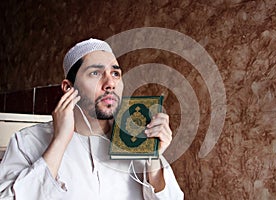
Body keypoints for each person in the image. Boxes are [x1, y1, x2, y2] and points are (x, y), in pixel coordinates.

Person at [0, 38, 184, 199]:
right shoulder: (26, 142)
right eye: (95, 73)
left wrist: (152, 156)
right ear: (68, 88)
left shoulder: (135, 138)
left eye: (115, 74)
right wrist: (60, 140)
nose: (110, 83)